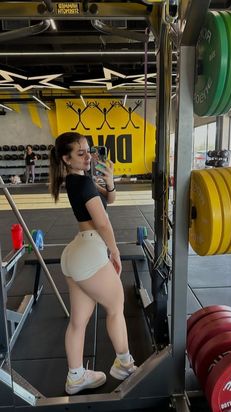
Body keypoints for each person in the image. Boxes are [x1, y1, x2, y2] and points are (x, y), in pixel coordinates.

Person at [49, 132, 137, 395]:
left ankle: (75, 376)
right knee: (115, 306)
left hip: (75, 254)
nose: (88, 156)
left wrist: (110, 183)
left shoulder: (78, 181)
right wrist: (115, 252)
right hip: (90, 250)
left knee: (78, 321)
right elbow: (103, 223)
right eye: (80, 153)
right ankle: (125, 364)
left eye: (88, 151)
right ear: (66, 159)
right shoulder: (83, 184)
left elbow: (108, 200)